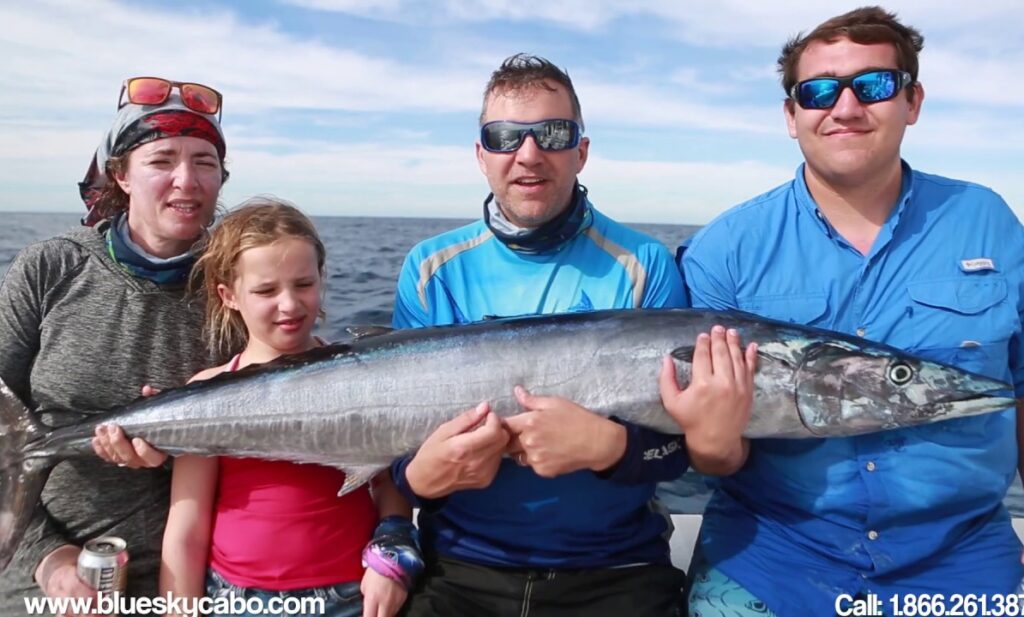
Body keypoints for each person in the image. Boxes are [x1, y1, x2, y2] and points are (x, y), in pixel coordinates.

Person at [677, 7, 1024, 615]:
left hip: (963, 557)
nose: (844, 108)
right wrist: (710, 444)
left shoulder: (989, 222)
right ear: (792, 115)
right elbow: (713, 455)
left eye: (873, 85)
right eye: (817, 91)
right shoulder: (723, 250)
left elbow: (1017, 390)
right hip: (771, 558)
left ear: (911, 101)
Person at [390, 53, 756, 617]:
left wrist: (606, 447)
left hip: (617, 570)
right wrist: (415, 477)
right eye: (506, 136)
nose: (529, 154)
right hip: (460, 569)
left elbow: (682, 443)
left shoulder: (644, 264)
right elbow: (387, 426)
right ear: (481, 155)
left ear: (581, 151)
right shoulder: (430, 267)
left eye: (553, 133)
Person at [0, 76, 229, 613]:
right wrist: (47, 557)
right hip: (50, 562)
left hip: (204, 575)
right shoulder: (51, 266)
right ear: (121, 174)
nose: (186, 180)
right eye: (162, 160)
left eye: (205, 162)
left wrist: (177, 456)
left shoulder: (240, 285)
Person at [158, 198, 416, 617]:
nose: (290, 305)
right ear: (229, 295)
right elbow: (187, 527)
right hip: (234, 600)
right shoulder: (206, 391)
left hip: (352, 595)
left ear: (321, 278)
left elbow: (388, 484)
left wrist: (393, 556)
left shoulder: (365, 376)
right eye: (265, 290)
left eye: (303, 284)